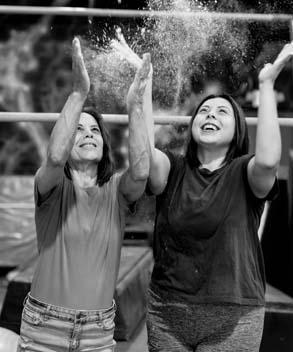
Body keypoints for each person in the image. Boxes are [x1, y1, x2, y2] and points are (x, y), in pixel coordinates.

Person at [116, 35, 293, 351]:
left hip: (233, 318)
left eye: (222, 112)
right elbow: (141, 159)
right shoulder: (173, 168)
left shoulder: (244, 172)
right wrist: (143, 86)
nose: (210, 114)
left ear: (237, 130)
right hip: (168, 313)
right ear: (194, 125)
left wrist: (267, 84)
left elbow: (268, 160)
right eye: (205, 110)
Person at [17, 37, 152, 352]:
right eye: (78, 129)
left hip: (97, 329)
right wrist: (78, 93)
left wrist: (134, 105)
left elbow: (142, 172)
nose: (88, 134)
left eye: (94, 131)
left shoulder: (116, 191)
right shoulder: (51, 186)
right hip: (44, 325)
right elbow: (54, 157)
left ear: (104, 145)